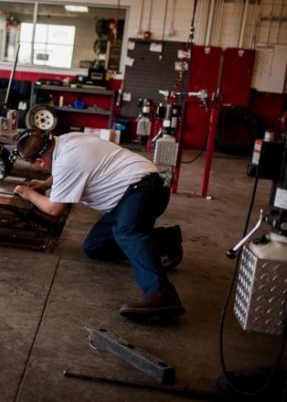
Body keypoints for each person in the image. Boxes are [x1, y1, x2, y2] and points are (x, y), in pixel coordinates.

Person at [13, 129, 184, 320]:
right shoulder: (67, 140)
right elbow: (68, 167)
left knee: (126, 232)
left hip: (144, 189)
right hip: (133, 192)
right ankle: (165, 241)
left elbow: (54, 209)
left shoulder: (67, 163)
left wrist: (29, 194)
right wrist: (46, 184)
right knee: (95, 247)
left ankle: (162, 294)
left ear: (39, 162)